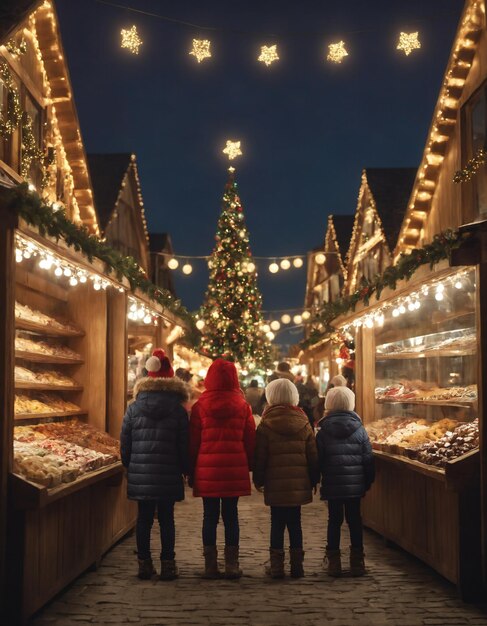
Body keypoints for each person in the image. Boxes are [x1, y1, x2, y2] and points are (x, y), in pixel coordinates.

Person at [120, 349, 189, 581]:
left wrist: (128, 465)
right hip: (169, 471)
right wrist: (185, 469)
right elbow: (183, 444)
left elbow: (125, 441)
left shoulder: (133, 407)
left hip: (141, 471)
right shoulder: (178, 410)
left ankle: (144, 564)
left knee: (144, 519)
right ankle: (168, 564)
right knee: (167, 518)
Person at [189, 358, 256, 579]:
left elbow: (194, 441)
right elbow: (250, 440)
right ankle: (231, 564)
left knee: (209, 517)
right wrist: (251, 465)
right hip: (233, 469)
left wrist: (191, 469)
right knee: (231, 517)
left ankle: (210, 565)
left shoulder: (200, 407)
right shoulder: (243, 406)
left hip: (207, 470)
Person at [253, 378, 320, 579]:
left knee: (277, 523)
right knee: (295, 523)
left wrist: (259, 479)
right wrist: (314, 479)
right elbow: (313, 455)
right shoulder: (304, 422)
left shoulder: (265, 424)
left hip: (275, 483)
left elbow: (260, 456)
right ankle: (297, 566)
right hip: (298, 483)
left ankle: (276, 566)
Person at [316, 386, 375, 577]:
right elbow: (368, 459)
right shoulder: (360, 430)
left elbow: (318, 459)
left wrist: (316, 479)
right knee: (355, 521)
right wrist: (367, 481)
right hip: (355, 486)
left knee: (334, 521)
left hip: (333, 485)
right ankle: (357, 561)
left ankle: (334, 562)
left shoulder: (323, 431)